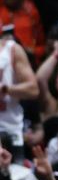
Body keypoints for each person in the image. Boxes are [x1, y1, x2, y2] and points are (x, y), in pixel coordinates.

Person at [0, 22, 39, 161]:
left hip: (10, 129)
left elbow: (33, 89)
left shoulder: (12, 50)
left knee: (17, 178)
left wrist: (6, 89)